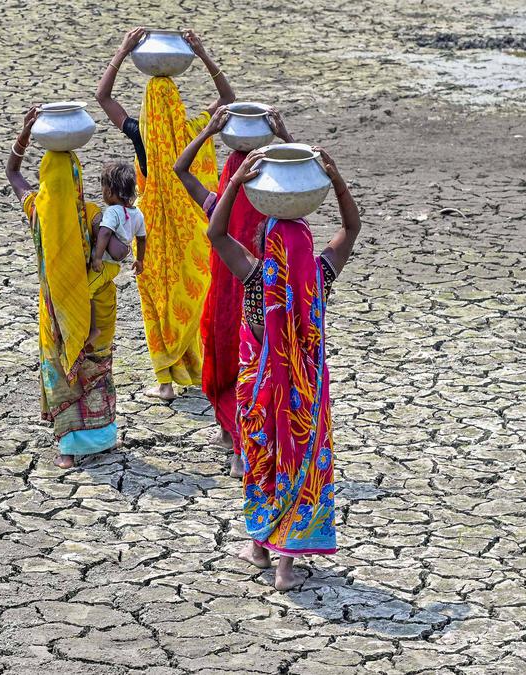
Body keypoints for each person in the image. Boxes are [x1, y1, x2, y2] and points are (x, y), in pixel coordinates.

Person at [206, 147, 361, 590]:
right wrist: (334, 179)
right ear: (308, 245)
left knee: (262, 463)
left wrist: (235, 184)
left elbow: (216, 234)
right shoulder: (319, 276)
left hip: (259, 395)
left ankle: (258, 546)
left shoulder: (256, 278)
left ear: (268, 244)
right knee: (298, 464)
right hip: (303, 399)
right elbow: (352, 227)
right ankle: (285, 568)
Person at [96, 27, 235, 401]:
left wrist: (123, 51)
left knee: (157, 298)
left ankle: (165, 382)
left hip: (150, 230)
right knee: (191, 293)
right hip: (190, 227)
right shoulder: (194, 130)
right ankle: (200, 368)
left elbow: (103, 96)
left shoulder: (140, 132)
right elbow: (227, 97)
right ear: (177, 103)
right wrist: (203, 54)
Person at [175, 106, 294, 478]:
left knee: (228, 370)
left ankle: (235, 444)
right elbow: (304, 183)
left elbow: (180, 169)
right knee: (259, 375)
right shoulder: (274, 214)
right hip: (264, 305)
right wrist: (286, 139)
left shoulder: (217, 213)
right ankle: (244, 445)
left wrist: (209, 131)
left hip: (226, 305)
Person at [6, 106, 118, 469]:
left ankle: (68, 451)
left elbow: (12, 172)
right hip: (92, 306)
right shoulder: (91, 213)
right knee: (95, 367)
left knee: (61, 371)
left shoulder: (37, 210)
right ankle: (102, 437)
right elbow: (119, 252)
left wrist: (24, 135)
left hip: (53, 309)